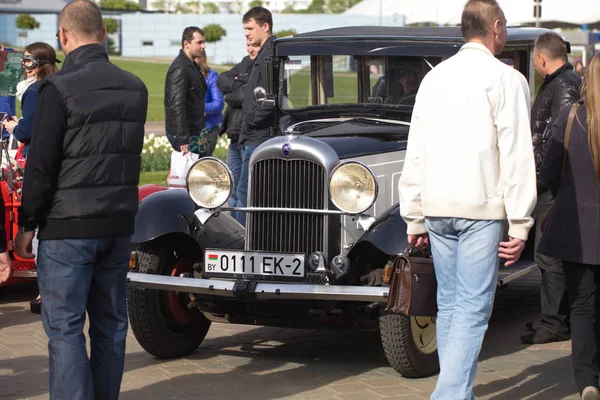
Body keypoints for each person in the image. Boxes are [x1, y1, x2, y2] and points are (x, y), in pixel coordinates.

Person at [397, 1, 536, 398]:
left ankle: (458, 391)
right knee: (472, 310)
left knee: (453, 306)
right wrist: (522, 220)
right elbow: (516, 154)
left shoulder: (434, 78)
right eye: (505, 25)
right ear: (495, 27)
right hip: (480, 205)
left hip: (438, 206)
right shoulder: (506, 79)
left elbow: (416, 150)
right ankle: (450, 394)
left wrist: (415, 216)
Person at [13, 1, 148, 399]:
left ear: (63, 37)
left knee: (65, 329)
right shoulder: (135, 87)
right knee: (110, 326)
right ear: (104, 35)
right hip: (117, 224)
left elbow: (41, 165)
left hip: (67, 227)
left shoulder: (57, 88)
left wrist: (27, 224)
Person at [538, 53, 600, 400]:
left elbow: (549, 172)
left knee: (581, 304)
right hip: (581, 224)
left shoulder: (571, 116)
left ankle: (587, 379)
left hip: (577, 224)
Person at [521, 32, 582, 345]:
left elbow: (560, 137)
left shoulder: (565, 85)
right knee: (547, 256)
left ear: (542, 58)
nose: (533, 63)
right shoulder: (560, 82)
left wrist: (544, 178)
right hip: (549, 181)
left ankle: (555, 324)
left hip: (552, 185)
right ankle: (555, 319)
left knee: (548, 256)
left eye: (533, 58)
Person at [235, 6, 276, 226]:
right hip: (254, 136)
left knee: (245, 194)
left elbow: (270, 101)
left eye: (250, 28)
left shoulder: (270, 54)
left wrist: (248, 122)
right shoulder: (264, 53)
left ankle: (242, 244)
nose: (247, 34)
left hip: (258, 137)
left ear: (265, 26)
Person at [217, 42, 259, 208]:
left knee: (244, 191)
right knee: (232, 189)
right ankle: (235, 227)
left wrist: (231, 94)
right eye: (248, 45)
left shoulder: (262, 65)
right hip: (234, 134)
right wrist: (238, 84)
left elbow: (243, 96)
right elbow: (222, 79)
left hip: (247, 136)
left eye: (254, 46)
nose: (250, 49)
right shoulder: (245, 62)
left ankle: (243, 227)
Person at [2, 42, 60, 157]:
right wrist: (22, 123)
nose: (24, 66)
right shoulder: (58, 84)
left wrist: (14, 128)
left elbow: (26, 133)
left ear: (41, 64)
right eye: (23, 61)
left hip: (37, 153)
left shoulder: (33, 92)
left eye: (28, 61)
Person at [165, 26, 207, 156]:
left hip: (195, 130)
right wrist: (183, 138)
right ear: (186, 44)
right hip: (187, 134)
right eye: (199, 42)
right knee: (187, 173)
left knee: (199, 172)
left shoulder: (191, 66)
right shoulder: (180, 67)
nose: (203, 46)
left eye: (204, 42)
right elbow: (176, 105)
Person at [195, 52, 223, 156]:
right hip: (189, 128)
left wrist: (198, 108)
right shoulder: (184, 74)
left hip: (207, 128)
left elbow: (219, 103)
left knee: (201, 164)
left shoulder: (211, 76)